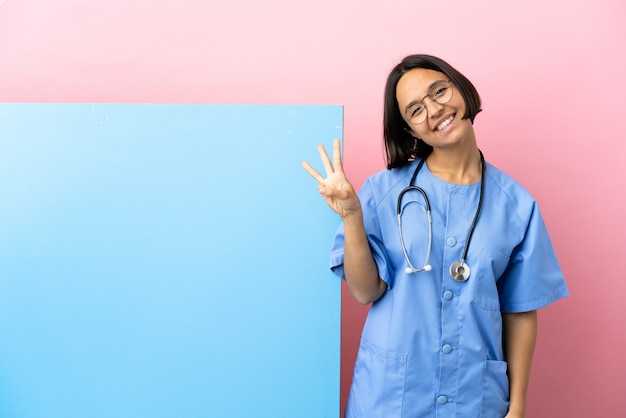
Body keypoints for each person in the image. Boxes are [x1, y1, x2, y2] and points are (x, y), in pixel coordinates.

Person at [302, 54, 569, 418]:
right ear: (410, 130)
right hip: (391, 396)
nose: (434, 109)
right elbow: (365, 291)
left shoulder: (517, 205)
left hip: (475, 397)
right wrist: (351, 216)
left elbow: (520, 311)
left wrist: (517, 407)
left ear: (460, 88)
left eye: (439, 91)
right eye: (415, 110)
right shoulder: (381, 192)